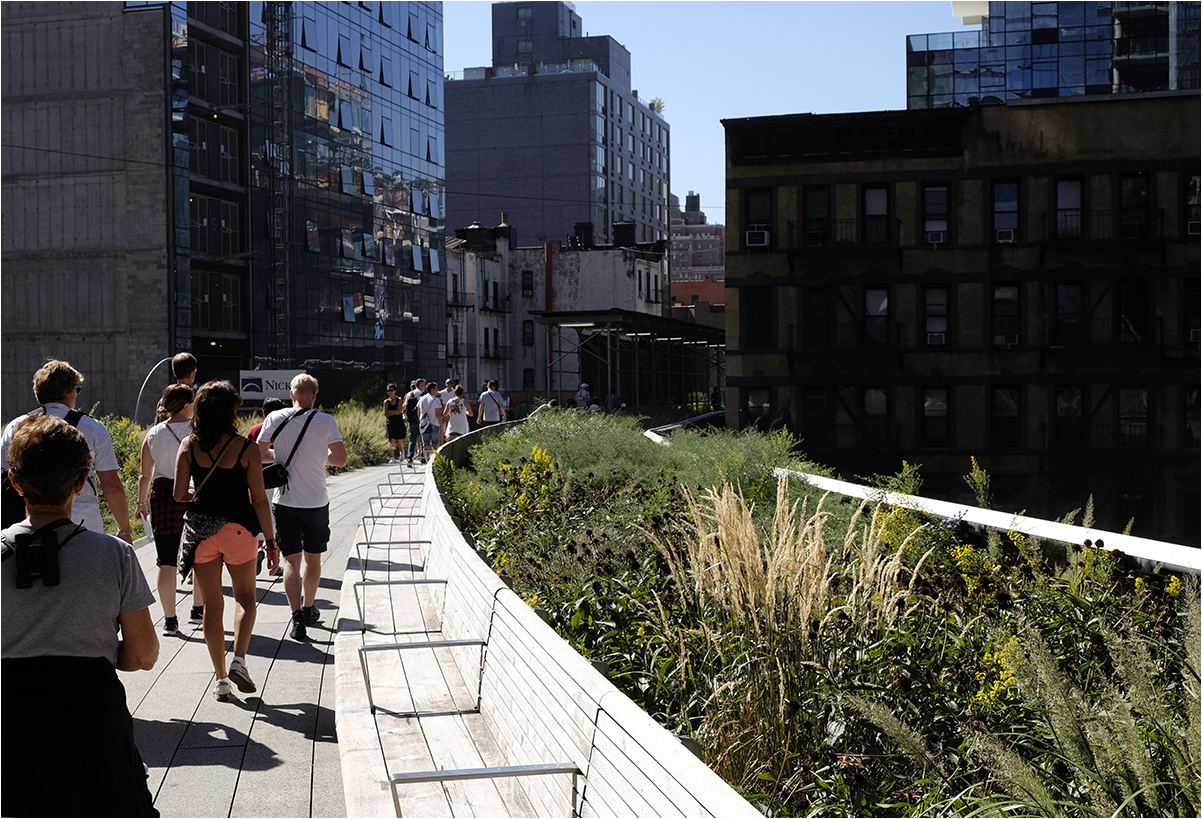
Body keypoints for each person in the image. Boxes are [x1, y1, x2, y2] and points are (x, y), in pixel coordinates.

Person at [2, 415, 160, 816]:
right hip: (95, 718)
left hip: (12, 724)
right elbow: (144, 655)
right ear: (81, 482)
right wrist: (100, 648)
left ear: (15, 482)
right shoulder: (115, 555)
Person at [176, 381, 279, 701]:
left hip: (202, 532)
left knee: (211, 606)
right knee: (246, 598)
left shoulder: (189, 446)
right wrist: (272, 541)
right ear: (230, 410)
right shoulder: (245, 448)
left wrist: (204, 495)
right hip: (238, 530)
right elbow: (260, 501)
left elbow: (179, 494)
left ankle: (221, 680)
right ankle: (239, 660)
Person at [0, 359, 134, 541]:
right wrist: (125, 530)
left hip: (29, 526)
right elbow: (112, 487)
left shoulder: (15, 427)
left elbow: (5, 479)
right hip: (84, 525)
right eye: (76, 389)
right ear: (66, 392)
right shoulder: (93, 429)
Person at [257, 374, 347, 641]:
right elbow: (340, 460)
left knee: (291, 561)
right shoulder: (325, 421)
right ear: (315, 395)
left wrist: (280, 456)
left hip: (285, 502)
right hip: (316, 502)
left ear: (292, 394)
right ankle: (309, 608)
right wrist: (321, 455)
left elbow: (259, 453)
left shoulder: (275, 418)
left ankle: (296, 617)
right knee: (313, 559)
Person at [136, 384, 199, 637]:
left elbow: (145, 474)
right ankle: (198, 610)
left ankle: (170, 620)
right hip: (193, 493)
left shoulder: (153, 434)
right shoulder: (198, 431)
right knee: (200, 554)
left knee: (166, 559)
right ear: (186, 405)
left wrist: (141, 503)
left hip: (162, 496)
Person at [155, 352, 198, 422]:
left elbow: (159, 425)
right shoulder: (199, 398)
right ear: (193, 372)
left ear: (174, 374)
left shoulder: (166, 399)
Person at [417, 382, 443, 461]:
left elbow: (418, 412)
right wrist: (441, 424)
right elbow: (438, 414)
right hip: (434, 423)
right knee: (435, 444)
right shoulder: (436, 400)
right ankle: (435, 460)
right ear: (432, 389)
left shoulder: (421, 399)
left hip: (424, 424)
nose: (437, 391)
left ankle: (427, 460)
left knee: (425, 444)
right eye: (436, 389)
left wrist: (421, 421)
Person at [403, 378, 426, 465]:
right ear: (420, 385)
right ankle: (422, 457)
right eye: (424, 385)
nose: (425, 386)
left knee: (412, 439)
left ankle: (410, 457)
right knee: (422, 439)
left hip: (412, 419)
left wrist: (405, 416)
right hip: (422, 419)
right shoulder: (425, 395)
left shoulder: (409, 394)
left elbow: (405, 406)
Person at [383, 383, 406, 463]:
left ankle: (402, 452)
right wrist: (395, 412)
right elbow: (386, 413)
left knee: (399, 440)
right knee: (391, 440)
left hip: (398, 422)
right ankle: (392, 457)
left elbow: (400, 411)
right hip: (390, 422)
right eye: (388, 391)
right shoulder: (386, 402)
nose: (390, 392)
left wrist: (391, 412)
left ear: (395, 391)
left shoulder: (399, 399)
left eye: (391, 390)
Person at [438, 378, 455, 445]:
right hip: (443, 412)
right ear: (445, 384)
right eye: (448, 383)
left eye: (450, 383)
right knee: (443, 429)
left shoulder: (454, 392)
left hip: (453, 412)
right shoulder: (442, 392)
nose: (449, 384)